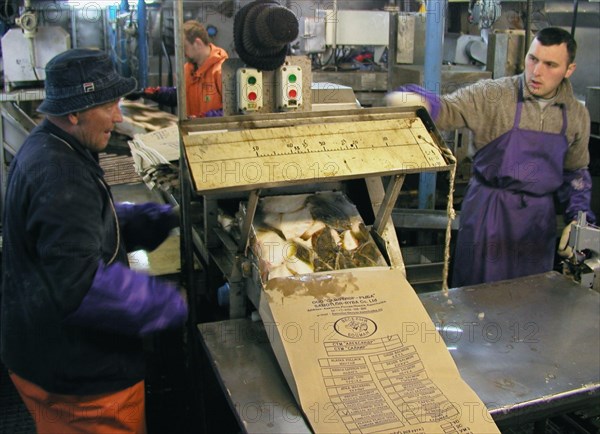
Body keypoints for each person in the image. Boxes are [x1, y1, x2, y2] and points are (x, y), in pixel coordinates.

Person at [0, 48, 188, 433]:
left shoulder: (50, 146)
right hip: (81, 384)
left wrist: (156, 219)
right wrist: (172, 302)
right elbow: (82, 287)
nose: (119, 117)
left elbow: (79, 228)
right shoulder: (60, 173)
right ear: (75, 112)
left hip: (43, 353)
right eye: (110, 106)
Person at [386, 27, 595, 287]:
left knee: (531, 298)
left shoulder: (576, 114)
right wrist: (421, 101)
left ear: (569, 69)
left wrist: (579, 219)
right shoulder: (494, 95)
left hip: (538, 223)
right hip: (489, 213)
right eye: (533, 59)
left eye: (550, 64)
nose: (536, 72)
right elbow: (449, 109)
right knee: (479, 299)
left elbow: (575, 173)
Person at [131, 20, 228, 118]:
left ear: (197, 43)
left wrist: (201, 118)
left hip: (214, 132)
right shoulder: (188, 69)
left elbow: (231, 112)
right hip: (191, 130)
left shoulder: (222, 71)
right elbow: (179, 95)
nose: (182, 53)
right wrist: (147, 92)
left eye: (184, 47)